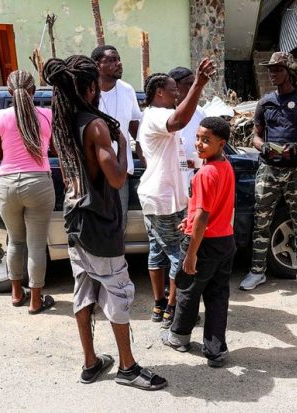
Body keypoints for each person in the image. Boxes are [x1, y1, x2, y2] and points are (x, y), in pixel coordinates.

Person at [43, 55, 167, 390]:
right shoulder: (95, 126)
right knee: (118, 292)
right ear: (89, 88)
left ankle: (91, 361)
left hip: (76, 219)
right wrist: (124, 143)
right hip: (98, 223)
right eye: (95, 83)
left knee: (83, 291)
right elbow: (115, 179)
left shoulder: (64, 121)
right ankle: (127, 367)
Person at [137, 59, 216, 329]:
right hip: (165, 200)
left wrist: (190, 165)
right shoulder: (158, 114)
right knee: (178, 256)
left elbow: (166, 154)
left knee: (157, 253)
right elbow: (180, 120)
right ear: (159, 92)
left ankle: (159, 305)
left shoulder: (152, 116)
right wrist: (198, 84)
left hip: (157, 196)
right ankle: (174, 308)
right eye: (173, 90)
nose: (176, 94)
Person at [239, 51, 297, 293]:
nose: (272, 73)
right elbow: (255, 136)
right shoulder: (265, 102)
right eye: (270, 69)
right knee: (261, 221)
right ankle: (257, 272)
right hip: (268, 170)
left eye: (276, 69)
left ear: (288, 71)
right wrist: (263, 146)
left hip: (296, 170)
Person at [161, 116, 236, 368]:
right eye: (198, 138)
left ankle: (179, 337)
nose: (199, 144)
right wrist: (189, 221)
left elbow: (204, 214)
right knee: (217, 295)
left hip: (204, 244)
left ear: (221, 143)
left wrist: (191, 253)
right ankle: (216, 350)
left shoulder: (205, 173)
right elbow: (207, 211)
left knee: (187, 290)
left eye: (207, 140)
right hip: (225, 240)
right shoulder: (226, 166)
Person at [0, 69, 56, 315]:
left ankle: (17, 294)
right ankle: (36, 300)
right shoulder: (46, 115)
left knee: (15, 241)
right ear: (34, 91)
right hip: (38, 182)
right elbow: (55, 150)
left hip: (6, 183)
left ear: (9, 91)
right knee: (37, 245)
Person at [91, 45, 143, 233]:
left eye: (118, 59)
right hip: (93, 173)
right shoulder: (88, 92)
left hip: (121, 171)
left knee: (119, 224)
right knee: (95, 225)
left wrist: (147, 158)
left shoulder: (127, 90)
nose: (118, 63)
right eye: (112, 60)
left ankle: (117, 262)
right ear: (97, 65)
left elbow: (134, 126)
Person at [168, 66, 206, 180]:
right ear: (175, 86)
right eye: (189, 84)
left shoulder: (200, 112)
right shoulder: (163, 113)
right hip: (169, 180)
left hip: (193, 179)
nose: (193, 88)